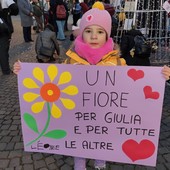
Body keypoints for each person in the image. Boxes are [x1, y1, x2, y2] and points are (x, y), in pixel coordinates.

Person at [13, 4, 170, 170]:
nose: (94, 36)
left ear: (107, 34)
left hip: (104, 118)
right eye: (88, 31)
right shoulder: (71, 60)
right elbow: (54, 81)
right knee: (80, 142)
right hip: (78, 116)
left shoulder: (117, 61)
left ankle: (100, 164)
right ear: (82, 33)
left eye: (100, 32)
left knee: (100, 142)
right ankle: (79, 165)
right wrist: (23, 72)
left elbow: (133, 88)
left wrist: (161, 77)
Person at [0, 0, 18, 75]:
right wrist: (9, 13)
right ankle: (6, 70)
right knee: (3, 50)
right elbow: (15, 9)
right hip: (3, 28)